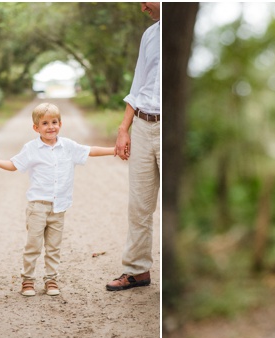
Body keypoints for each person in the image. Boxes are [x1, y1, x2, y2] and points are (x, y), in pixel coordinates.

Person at [0, 103, 114, 297]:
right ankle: (28, 281)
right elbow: (14, 165)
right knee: (33, 246)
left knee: (54, 248)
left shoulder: (68, 147)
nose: (50, 127)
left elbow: (90, 151)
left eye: (54, 122)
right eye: (45, 123)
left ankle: (51, 280)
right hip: (37, 207)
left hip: (59, 208)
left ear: (60, 124)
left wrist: (115, 150)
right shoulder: (31, 148)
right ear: (36, 128)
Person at [106, 2, 160, 291]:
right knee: (139, 205)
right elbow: (138, 85)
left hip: (167, 128)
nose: (142, 7)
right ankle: (137, 271)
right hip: (142, 124)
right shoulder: (149, 35)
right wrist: (123, 128)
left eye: (145, 1)